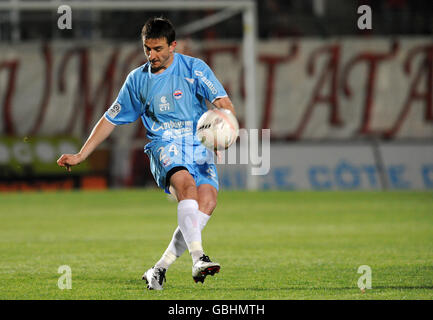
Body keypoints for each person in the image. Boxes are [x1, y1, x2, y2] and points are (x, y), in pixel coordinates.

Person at [56, 17, 237, 291]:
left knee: (208, 201)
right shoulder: (137, 80)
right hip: (163, 145)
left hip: (197, 146)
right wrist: (82, 154)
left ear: (173, 46)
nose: (151, 55)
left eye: (158, 49)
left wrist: (223, 134)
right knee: (187, 187)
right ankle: (199, 257)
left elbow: (223, 103)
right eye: (147, 49)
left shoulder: (194, 69)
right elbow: (110, 119)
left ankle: (159, 269)